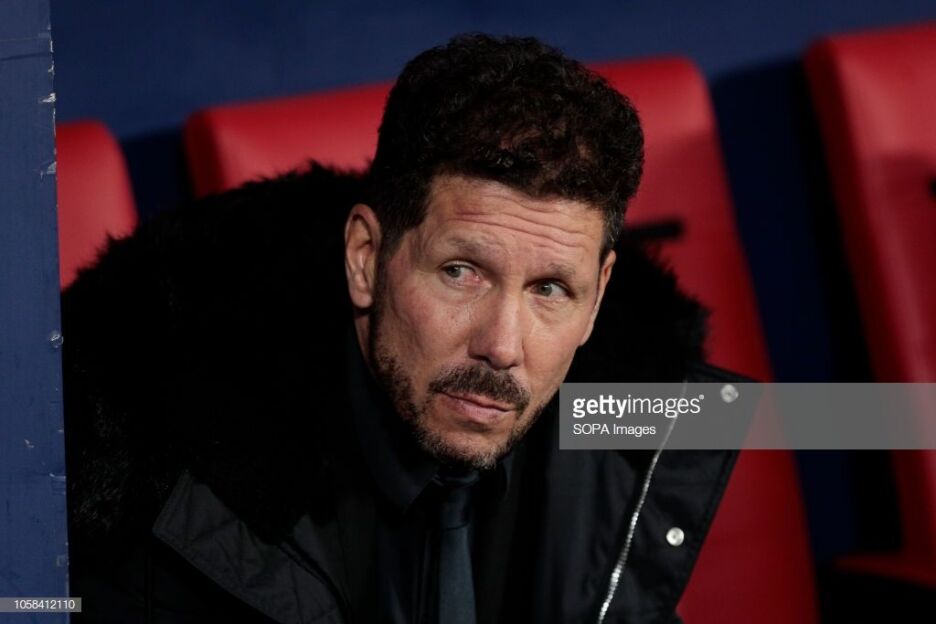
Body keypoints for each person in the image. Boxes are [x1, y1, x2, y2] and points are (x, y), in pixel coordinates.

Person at [63, 34, 739, 623]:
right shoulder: (172, 486)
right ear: (366, 259)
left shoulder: (628, 435)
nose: (503, 347)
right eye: (461, 272)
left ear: (597, 299)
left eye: (550, 290)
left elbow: (804, 421)